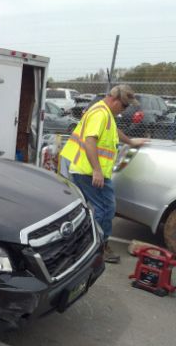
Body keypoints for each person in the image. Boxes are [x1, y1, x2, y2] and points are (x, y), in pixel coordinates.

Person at [59, 85, 147, 264]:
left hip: (83, 168)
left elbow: (113, 130)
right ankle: (99, 246)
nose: (125, 110)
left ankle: (78, 243)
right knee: (106, 208)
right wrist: (97, 171)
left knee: (80, 209)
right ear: (115, 99)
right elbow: (90, 141)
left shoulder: (105, 112)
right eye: (124, 106)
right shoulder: (100, 114)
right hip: (88, 170)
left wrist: (130, 141)